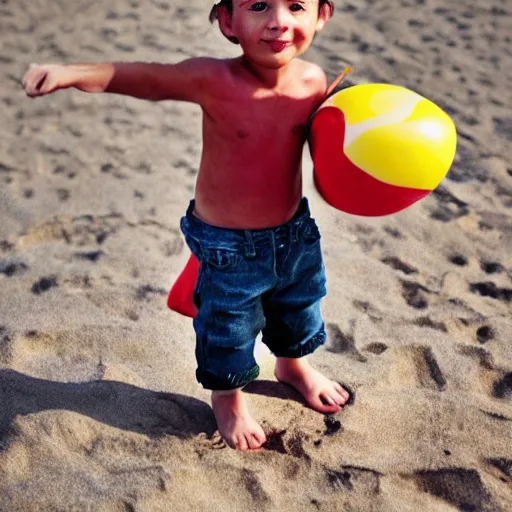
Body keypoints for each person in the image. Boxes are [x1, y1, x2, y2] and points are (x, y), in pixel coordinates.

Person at [22, 0, 350, 451]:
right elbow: (149, 79)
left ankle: (292, 365)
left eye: (296, 6)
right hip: (227, 243)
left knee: (300, 306)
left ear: (321, 16)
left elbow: (341, 148)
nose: (278, 21)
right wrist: (71, 72)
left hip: (294, 233)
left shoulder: (314, 81)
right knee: (228, 327)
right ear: (227, 21)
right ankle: (228, 398)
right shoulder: (214, 79)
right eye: (258, 6)